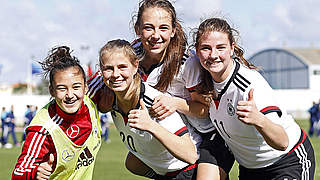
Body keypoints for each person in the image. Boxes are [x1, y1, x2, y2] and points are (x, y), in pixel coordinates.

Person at [88, 0, 234, 179]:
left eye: (163, 28)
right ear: (137, 28)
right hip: (180, 133)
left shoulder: (187, 63)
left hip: (210, 135)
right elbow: (91, 89)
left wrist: (176, 103)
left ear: (173, 30)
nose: (156, 35)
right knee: (133, 163)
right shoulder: (130, 54)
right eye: (148, 28)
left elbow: (207, 109)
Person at [193, 17, 315, 179]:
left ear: (232, 48)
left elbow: (282, 142)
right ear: (197, 50)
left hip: (287, 161)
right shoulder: (201, 75)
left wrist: (259, 119)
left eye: (220, 47)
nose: (213, 55)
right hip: (251, 168)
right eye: (206, 48)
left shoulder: (249, 84)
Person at [98, 39, 198, 179]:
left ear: (135, 66)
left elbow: (191, 154)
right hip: (164, 173)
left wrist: (151, 126)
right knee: (131, 163)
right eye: (108, 68)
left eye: (122, 67)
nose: (115, 74)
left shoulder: (154, 101)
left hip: (189, 171)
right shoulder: (110, 100)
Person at [12, 46, 102, 180]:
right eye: (61, 88)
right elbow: (18, 174)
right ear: (52, 91)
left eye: (76, 87)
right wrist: (35, 172)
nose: (70, 95)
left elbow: (115, 65)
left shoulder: (90, 101)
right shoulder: (43, 129)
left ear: (85, 88)